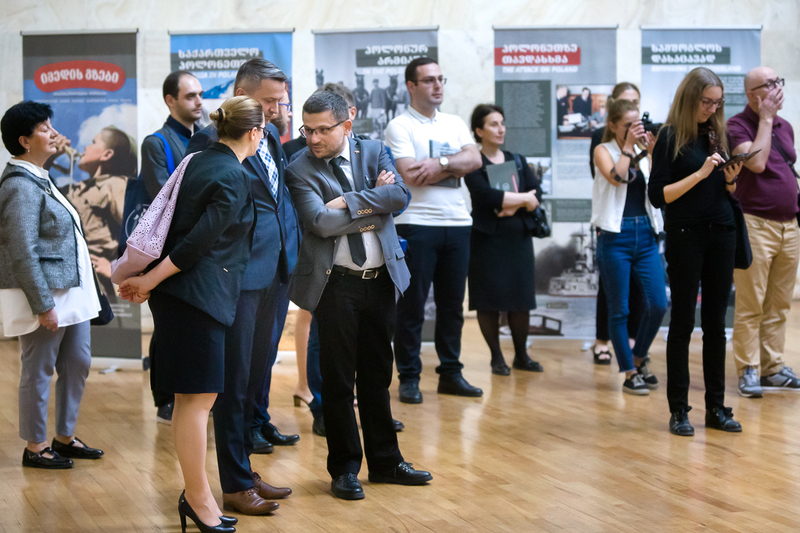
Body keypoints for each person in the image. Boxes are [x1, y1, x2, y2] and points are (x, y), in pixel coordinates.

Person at [119, 95, 260, 532]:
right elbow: (197, 243)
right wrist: (148, 280)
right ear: (254, 133)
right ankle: (199, 499)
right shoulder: (233, 174)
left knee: (190, 401)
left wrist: (152, 281)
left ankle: (199, 496)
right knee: (198, 402)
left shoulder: (198, 159)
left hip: (183, 296)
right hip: (197, 297)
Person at [285, 90, 431, 501]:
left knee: (377, 375)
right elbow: (320, 222)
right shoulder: (299, 168)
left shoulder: (374, 151)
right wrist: (374, 208)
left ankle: (386, 463)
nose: (313, 139)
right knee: (337, 380)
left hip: (381, 279)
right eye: (307, 130)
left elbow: (399, 196)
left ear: (346, 125)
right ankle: (345, 469)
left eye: (322, 130)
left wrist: (348, 202)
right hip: (336, 285)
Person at [186, 59, 296, 515]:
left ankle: (245, 470)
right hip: (238, 275)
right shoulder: (208, 142)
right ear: (242, 93)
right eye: (269, 101)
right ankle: (232, 484)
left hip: (276, 270)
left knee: (255, 377)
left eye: (280, 102)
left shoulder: (268, 136)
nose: (276, 109)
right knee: (232, 383)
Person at [0, 101, 105, 470]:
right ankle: (35, 445)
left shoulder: (40, 177)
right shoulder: (19, 186)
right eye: (45, 129)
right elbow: (21, 251)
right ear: (24, 140)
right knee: (39, 369)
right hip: (49, 296)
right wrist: (42, 304)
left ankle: (64, 436)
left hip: (71, 293)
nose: (54, 134)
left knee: (78, 362)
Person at [649, 67, 744, 436]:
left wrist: (730, 178)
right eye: (707, 101)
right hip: (686, 234)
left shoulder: (718, 133)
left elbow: (725, 191)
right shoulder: (669, 136)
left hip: (722, 232)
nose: (712, 108)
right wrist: (701, 173)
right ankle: (679, 410)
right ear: (690, 97)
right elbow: (658, 196)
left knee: (717, 325)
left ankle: (716, 408)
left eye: (718, 103)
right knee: (683, 322)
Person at [385, 57, 483, 404]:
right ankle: (409, 377)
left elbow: (475, 160)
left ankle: (451, 374)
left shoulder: (454, 123)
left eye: (441, 79)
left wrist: (439, 163)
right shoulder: (399, 126)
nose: (438, 85)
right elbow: (410, 174)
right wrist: (455, 165)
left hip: (457, 223)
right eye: (429, 80)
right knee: (412, 307)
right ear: (411, 86)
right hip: (416, 223)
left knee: (452, 306)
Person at [728, 67, 800, 397]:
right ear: (752, 94)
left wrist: (772, 120)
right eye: (769, 84)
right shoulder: (736, 126)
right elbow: (755, 164)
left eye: (778, 82)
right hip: (755, 224)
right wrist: (766, 119)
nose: (777, 88)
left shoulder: (787, 127)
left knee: (779, 304)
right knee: (751, 304)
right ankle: (748, 369)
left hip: (789, 225)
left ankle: (773, 367)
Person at [591, 98, 667, 395]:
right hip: (615, 235)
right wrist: (628, 148)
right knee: (619, 309)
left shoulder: (642, 152)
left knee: (658, 303)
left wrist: (652, 153)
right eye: (628, 125)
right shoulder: (603, 150)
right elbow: (617, 177)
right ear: (613, 125)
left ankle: (639, 356)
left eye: (638, 125)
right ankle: (629, 372)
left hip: (646, 233)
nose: (635, 130)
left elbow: (658, 186)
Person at [140, 69, 204, 425]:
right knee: (167, 327)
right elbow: (160, 198)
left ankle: (190, 395)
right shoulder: (156, 142)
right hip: (165, 249)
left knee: (191, 329)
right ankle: (164, 397)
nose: (199, 102)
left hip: (198, 248)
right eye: (190, 96)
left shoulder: (207, 137)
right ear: (170, 100)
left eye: (200, 94)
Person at [464, 104, 543, 375]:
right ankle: (496, 357)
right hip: (486, 240)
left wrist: (509, 206)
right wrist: (522, 200)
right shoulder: (473, 162)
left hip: (518, 238)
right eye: (493, 124)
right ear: (479, 131)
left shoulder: (517, 159)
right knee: (488, 300)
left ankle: (521, 356)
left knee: (521, 299)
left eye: (502, 123)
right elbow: (485, 196)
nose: (501, 129)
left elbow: (537, 193)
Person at [588, 82, 646, 366]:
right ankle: (604, 342)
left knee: (645, 293)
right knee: (612, 292)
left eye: (635, 104)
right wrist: (628, 146)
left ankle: (633, 343)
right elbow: (612, 177)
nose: (631, 110)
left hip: (642, 226)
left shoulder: (644, 141)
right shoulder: (601, 142)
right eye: (625, 103)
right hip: (614, 224)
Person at [65, 126, 135, 297]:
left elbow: (136, 233)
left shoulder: (115, 185)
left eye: (93, 142)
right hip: (75, 275)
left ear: (106, 154)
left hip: (100, 283)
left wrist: (115, 266)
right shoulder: (77, 188)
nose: (85, 148)